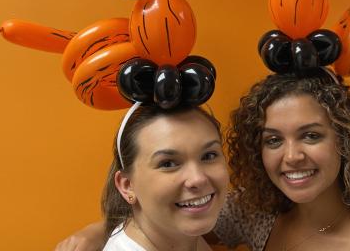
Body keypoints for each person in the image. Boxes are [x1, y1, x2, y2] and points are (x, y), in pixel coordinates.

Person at [215, 71, 350, 251]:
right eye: (274, 140)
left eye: (311, 136)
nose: (291, 156)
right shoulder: (256, 213)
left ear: (345, 140)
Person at [61, 104, 229, 251]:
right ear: (127, 186)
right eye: (168, 164)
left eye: (208, 156)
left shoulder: (180, 232)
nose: (197, 178)